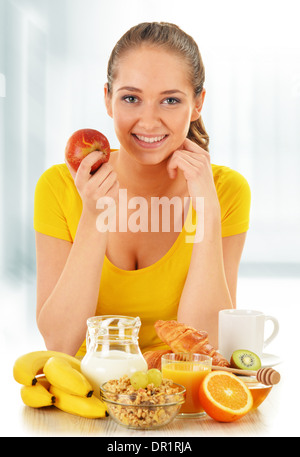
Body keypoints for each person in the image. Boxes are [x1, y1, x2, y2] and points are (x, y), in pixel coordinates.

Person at [34, 22, 251, 358]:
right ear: (108, 99)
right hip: (87, 398)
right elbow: (60, 344)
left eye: (170, 100)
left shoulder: (225, 191)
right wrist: (93, 216)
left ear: (197, 104)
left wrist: (206, 211)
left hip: (179, 396)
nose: (148, 122)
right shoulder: (59, 186)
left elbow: (204, 346)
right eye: (131, 98)